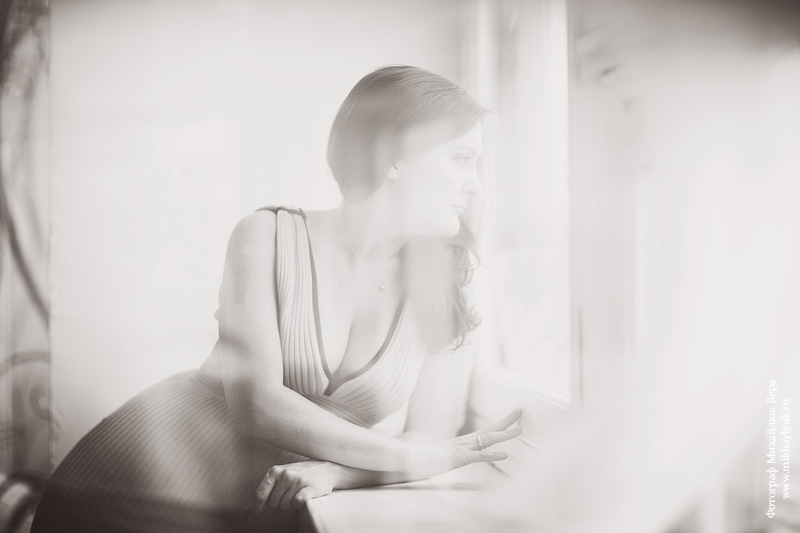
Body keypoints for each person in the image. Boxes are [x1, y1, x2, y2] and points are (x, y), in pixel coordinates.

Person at [30, 65, 522, 533]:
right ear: (397, 155)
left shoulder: (448, 282)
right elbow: (257, 405)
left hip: (257, 513)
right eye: (462, 159)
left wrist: (340, 472)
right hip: (135, 485)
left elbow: (428, 436)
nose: (475, 184)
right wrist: (418, 459)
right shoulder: (265, 235)